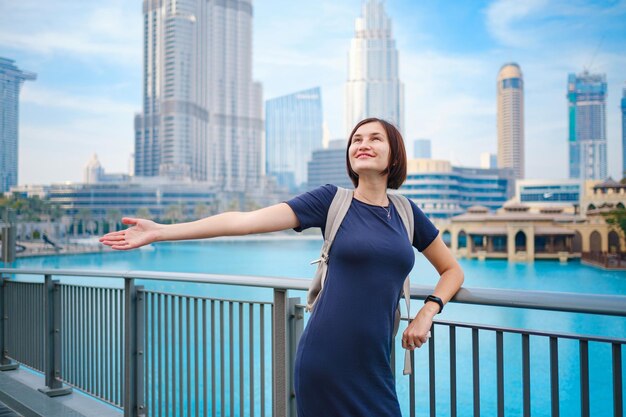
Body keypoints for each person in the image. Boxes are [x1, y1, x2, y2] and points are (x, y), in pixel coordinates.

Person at [100, 117, 464, 416]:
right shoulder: (330, 201)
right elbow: (241, 221)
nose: (362, 144)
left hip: (375, 365)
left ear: (394, 155)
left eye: (375, 138)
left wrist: (427, 312)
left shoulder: (406, 212)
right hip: (326, 360)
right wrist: (161, 232)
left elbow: (452, 271)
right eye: (356, 139)